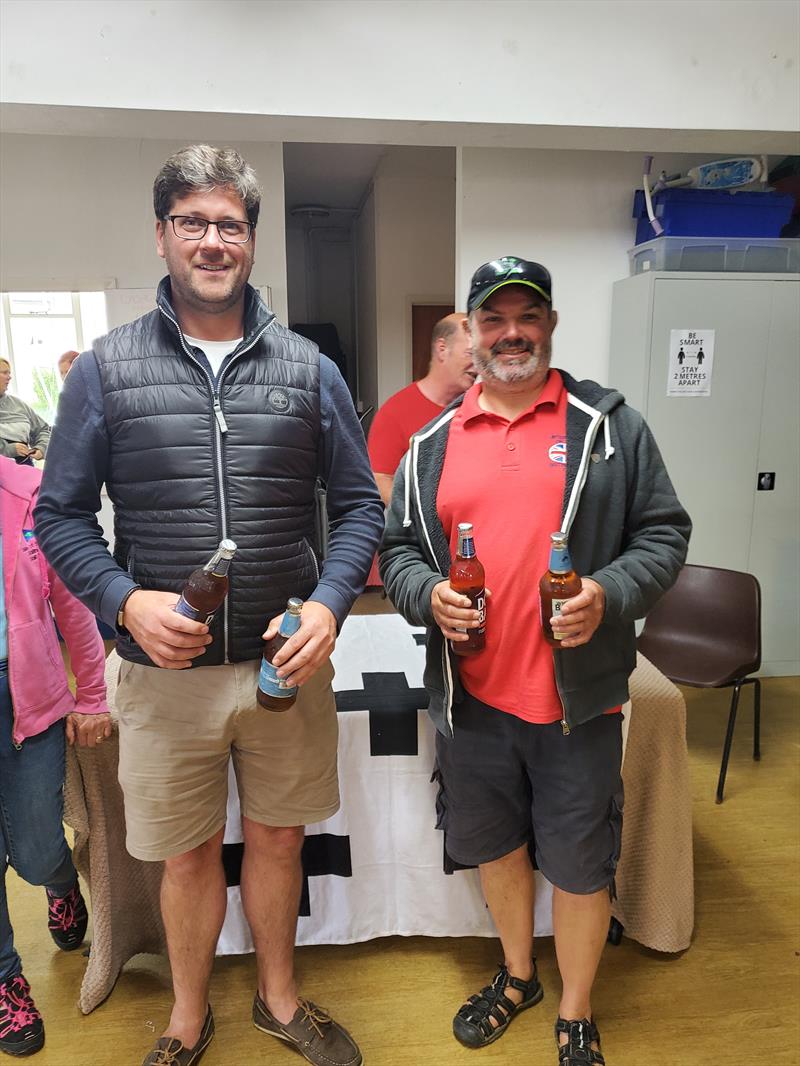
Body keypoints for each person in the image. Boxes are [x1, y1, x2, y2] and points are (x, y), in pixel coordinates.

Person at [34, 144, 384, 1066]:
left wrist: (330, 606)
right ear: (161, 236)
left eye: (230, 223)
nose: (212, 240)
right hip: (165, 678)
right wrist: (122, 603)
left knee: (276, 843)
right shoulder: (104, 371)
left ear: (252, 241)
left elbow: (358, 510)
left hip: (283, 664)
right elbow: (59, 517)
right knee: (185, 857)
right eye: (192, 221)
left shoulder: (311, 371)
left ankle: (277, 999)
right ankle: (189, 1016)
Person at [379, 256, 691, 1066]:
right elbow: (401, 548)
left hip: (577, 705)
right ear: (473, 334)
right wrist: (425, 596)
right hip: (471, 701)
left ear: (549, 324)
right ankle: (518, 977)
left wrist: (610, 592)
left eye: (527, 315)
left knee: (582, 867)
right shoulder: (433, 442)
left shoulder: (607, 428)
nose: (511, 331)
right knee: (497, 849)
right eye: (494, 317)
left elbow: (664, 533)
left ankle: (577, 1009)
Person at [0, 457, 110, 1058]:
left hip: (28, 696)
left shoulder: (27, 492)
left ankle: (59, 881)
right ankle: (6, 977)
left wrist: (91, 692)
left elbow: (69, 604)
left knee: (39, 846)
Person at [368, 313, 475, 505]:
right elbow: (381, 479)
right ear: (442, 349)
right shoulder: (395, 412)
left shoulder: (480, 406)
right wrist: (418, 518)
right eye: (470, 354)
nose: (477, 365)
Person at [0, 360, 50, 466]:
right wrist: (8, 449)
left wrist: (41, 448)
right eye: (4, 373)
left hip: (24, 470)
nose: (9, 377)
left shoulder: (18, 404)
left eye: (9, 373)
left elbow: (44, 429)